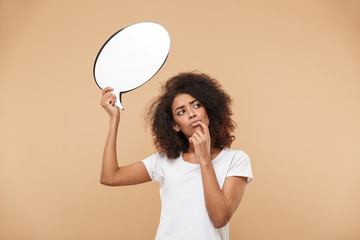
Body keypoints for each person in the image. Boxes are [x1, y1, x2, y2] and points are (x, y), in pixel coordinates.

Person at [99, 71, 253, 240]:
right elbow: (110, 177)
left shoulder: (235, 160)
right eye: (181, 112)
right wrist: (114, 119)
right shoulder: (164, 161)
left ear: (208, 110)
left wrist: (204, 160)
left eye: (196, 105)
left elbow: (219, 219)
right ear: (175, 126)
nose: (191, 114)